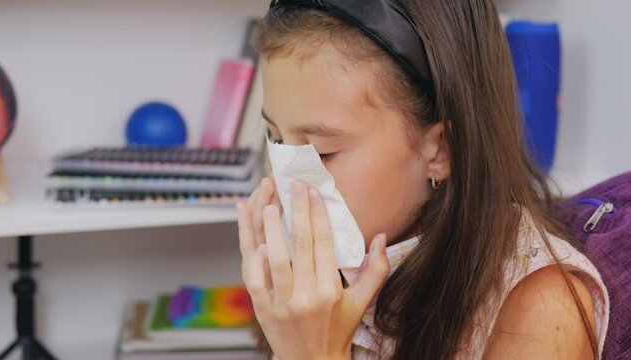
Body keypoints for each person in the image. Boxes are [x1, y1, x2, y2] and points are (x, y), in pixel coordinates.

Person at [236, 1, 609, 359]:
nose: (289, 185)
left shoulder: (540, 308)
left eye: (321, 152)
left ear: (440, 151)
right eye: (277, 140)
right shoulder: (333, 273)